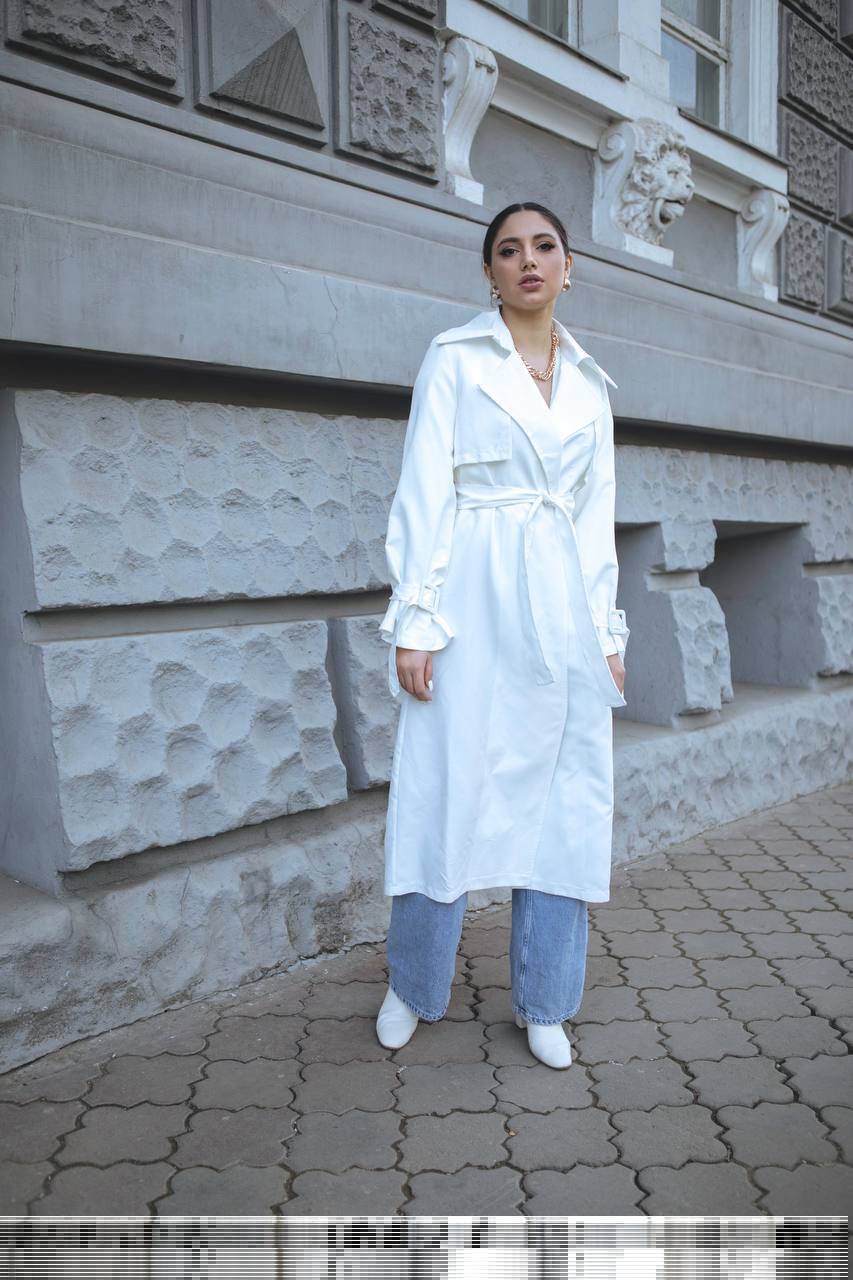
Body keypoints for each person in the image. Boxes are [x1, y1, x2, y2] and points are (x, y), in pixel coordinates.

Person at [374, 202, 630, 1070]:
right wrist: (417, 619)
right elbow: (423, 493)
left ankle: (547, 1001)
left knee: (561, 803)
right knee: (444, 786)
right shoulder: (454, 360)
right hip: (472, 599)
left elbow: (595, 522)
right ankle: (412, 984)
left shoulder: (593, 383)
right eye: (508, 250)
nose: (528, 261)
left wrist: (605, 630)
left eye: (544, 248)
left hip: (561, 607)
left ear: (568, 268)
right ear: (488, 273)